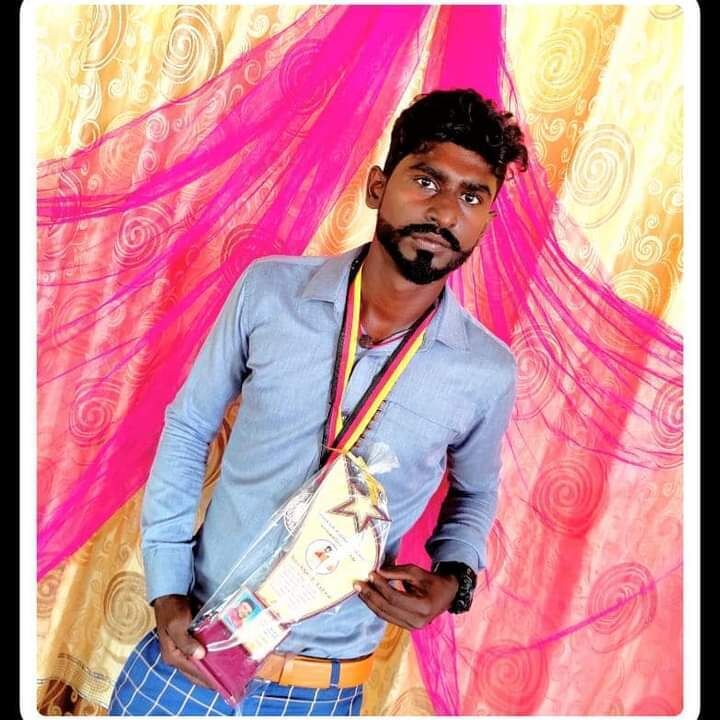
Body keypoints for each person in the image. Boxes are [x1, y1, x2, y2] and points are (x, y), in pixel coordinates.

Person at [108, 88, 528, 716]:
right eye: (426, 181)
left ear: (486, 222)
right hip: (188, 654)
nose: (445, 211)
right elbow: (190, 426)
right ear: (378, 187)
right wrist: (166, 589)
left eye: (472, 197)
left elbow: (475, 493)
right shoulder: (269, 291)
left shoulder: (486, 372)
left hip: (320, 694)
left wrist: (453, 581)